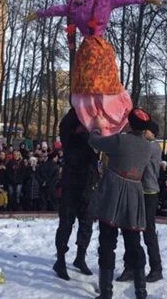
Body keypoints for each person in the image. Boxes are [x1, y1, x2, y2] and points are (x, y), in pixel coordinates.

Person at [27, 0, 162, 136]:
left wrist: (38, 13)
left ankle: (95, 119)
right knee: (101, 84)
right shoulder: (102, 1)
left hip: (89, 50)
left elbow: (56, 10)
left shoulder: (78, 4)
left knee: (92, 85)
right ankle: (102, 118)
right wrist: (147, 0)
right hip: (97, 49)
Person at [88, 108, 154, 299]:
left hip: (113, 193)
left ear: (130, 124)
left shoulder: (121, 140)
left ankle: (106, 293)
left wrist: (97, 127)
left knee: (107, 242)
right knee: (134, 244)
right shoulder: (149, 147)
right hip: (135, 194)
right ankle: (141, 292)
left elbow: (95, 142)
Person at [53, 108, 99, 281]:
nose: (85, 127)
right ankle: (60, 260)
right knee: (66, 223)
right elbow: (64, 124)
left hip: (88, 187)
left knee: (86, 223)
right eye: (82, 124)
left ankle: (80, 257)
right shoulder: (69, 139)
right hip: (71, 187)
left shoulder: (94, 139)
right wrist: (81, 105)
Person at [116, 120, 163, 284]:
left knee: (148, 231)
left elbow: (135, 156)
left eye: (146, 130)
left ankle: (156, 268)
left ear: (152, 133)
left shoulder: (152, 146)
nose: (143, 132)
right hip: (136, 190)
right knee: (130, 229)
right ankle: (130, 266)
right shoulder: (145, 143)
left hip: (149, 192)